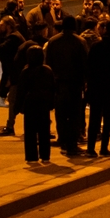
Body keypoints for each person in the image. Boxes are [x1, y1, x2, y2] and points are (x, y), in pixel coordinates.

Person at [44, 15, 88, 157]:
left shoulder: (53, 41)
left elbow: (48, 62)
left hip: (58, 82)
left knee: (61, 113)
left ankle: (62, 140)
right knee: (74, 114)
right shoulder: (80, 41)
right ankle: (72, 144)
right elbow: (84, 63)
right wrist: (85, 81)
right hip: (75, 83)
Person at [85, 22, 110, 157]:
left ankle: (90, 148)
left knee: (94, 118)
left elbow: (89, 67)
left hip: (96, 86)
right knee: (108, 118)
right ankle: (104, 148)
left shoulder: (96, 47)